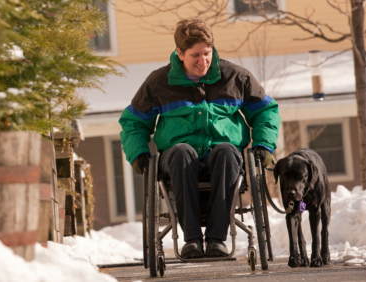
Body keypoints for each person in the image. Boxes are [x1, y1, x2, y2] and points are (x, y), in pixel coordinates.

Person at [119, 18, 280, 258]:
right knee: (182, 152)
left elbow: (266, 112)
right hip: (177, 158)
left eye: (207, 53)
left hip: (224, 155)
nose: (203, 61)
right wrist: (139, 153)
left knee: (226, 151)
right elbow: (132, 122)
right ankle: (191, 240)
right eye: (195, 55)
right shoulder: (159, 82)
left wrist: (263, 145)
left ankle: (217, 239)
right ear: (179, 53)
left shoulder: (235, 77)